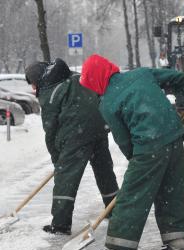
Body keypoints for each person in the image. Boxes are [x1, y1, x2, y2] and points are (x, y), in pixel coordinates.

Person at [78, 54, 184, 250]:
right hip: (174, 137)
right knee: (170, 192)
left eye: (90, 85)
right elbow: (178, 78)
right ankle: (177, 248)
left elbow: (124, 141)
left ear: (96, 80)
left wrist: (139, 167)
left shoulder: (108, 104)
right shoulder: (142, 74)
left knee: (131, 197)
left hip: (149, 146)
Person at [24, 59, 119, 235]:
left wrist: (57, 160)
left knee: (66, 178)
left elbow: (50, 129)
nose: (33, 89)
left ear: (38, 80)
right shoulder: (76, 77)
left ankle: (60, 224)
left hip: (77, 133)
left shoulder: (50, 91)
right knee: (104, 170)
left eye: (33, 84)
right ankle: (115, 211)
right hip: (99, 126)